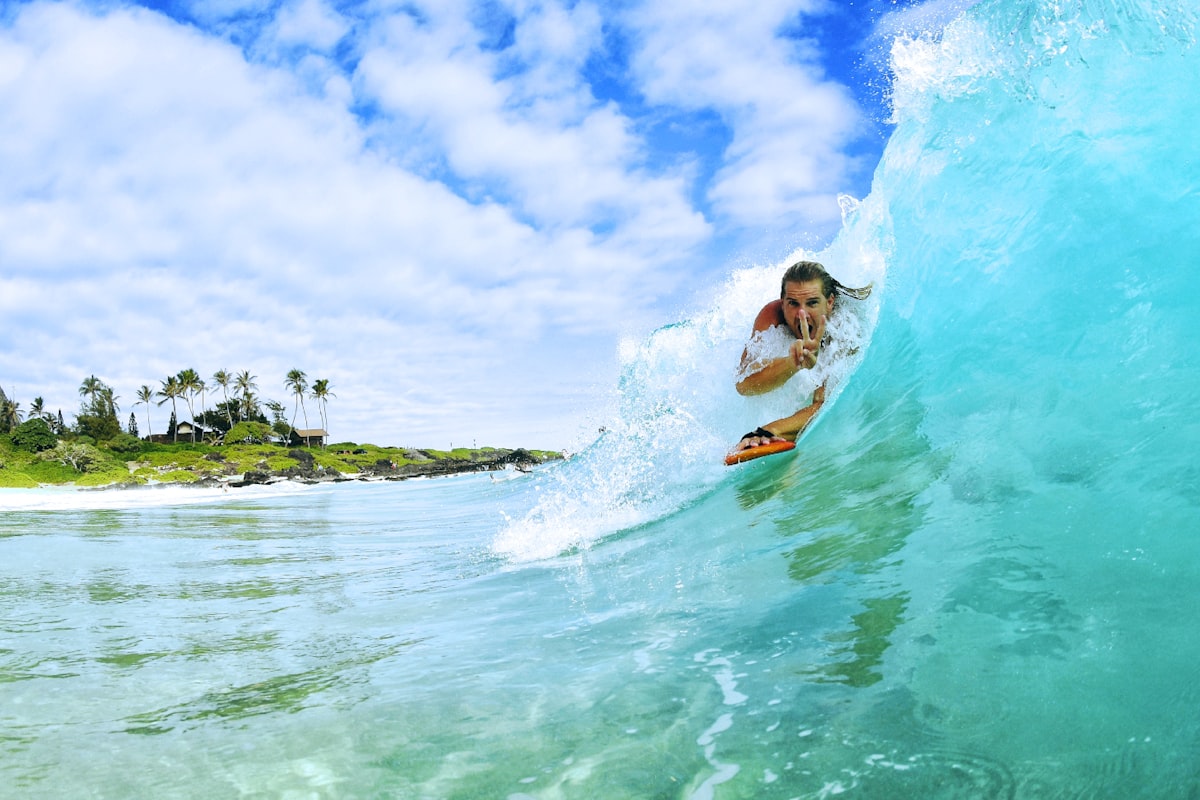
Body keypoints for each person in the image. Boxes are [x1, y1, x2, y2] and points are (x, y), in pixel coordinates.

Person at [730, 260, 871, 454]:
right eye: (793, 304)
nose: (801, 314)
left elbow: (824, 406)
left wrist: (769, 431)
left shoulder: (845, 327)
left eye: (812, 302)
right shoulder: (772, 315)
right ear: (782, 302)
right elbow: (744, 385)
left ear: (829, 302)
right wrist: (793, 363)